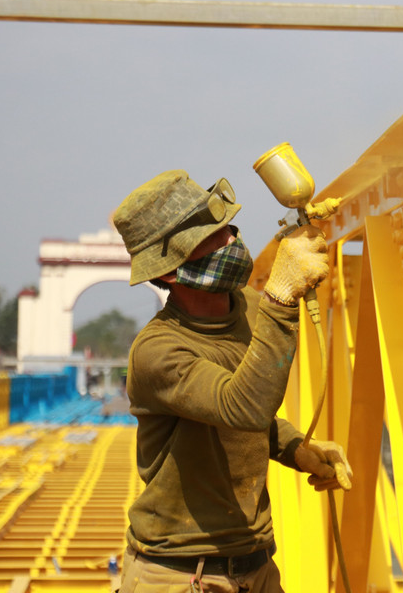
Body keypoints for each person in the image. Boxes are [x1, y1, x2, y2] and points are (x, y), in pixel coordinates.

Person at [111, 170, 352, 593]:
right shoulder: (158, 351)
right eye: (209, 238)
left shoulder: (251, 309)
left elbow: (240, 417)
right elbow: (240, 407)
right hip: (180, 573)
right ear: (169, 273)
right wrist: (281, 297)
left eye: (225, 228)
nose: (229, 242)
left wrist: (297, 448)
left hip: (255, 563)